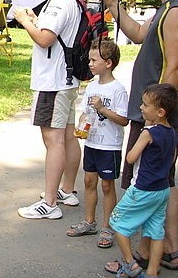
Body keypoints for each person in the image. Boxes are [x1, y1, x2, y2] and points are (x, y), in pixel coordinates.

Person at [101, 0, 178, 271]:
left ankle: (155, 253)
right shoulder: (164, 10)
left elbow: (174, 68)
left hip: (155, 116)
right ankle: (159, 251)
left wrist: (156, 121)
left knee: (153, 181)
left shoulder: (174, 13)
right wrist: (113, 5)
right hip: (151, 114)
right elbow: (136, 33)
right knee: (161, 181)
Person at [13, 0, 82, 219]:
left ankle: (49, 203)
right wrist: (36, 18)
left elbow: (44, 39)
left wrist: (25, 20)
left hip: (52, 82)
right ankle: (66, 190)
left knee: (52, 139)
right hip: (66, 79)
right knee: (66, 136)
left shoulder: (59, 2)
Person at [105, 84, 178, 278]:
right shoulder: (172, 133)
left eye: (145, 105)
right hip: (162, 190)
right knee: (155, 229)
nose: (141, 108)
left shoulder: (148, 133)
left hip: (142, 189)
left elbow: (130, 158)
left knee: (117, 222)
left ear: (160, 112)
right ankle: (152, 271)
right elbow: (172, 159)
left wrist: (143, 135)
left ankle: (131, 264)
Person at [66, 38, 128, 249]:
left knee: (107, 185)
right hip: (92, 143)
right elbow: (85, 112)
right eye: (90, 60)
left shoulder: (117, 89)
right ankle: (89, 221)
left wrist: (102, 109)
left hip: (110, 146)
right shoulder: (91, 87)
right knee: (89, 182)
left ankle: (107, 226)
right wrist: (81, 124)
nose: (90, 64)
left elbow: (123, 120)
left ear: (108, 63)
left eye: (94, 60)